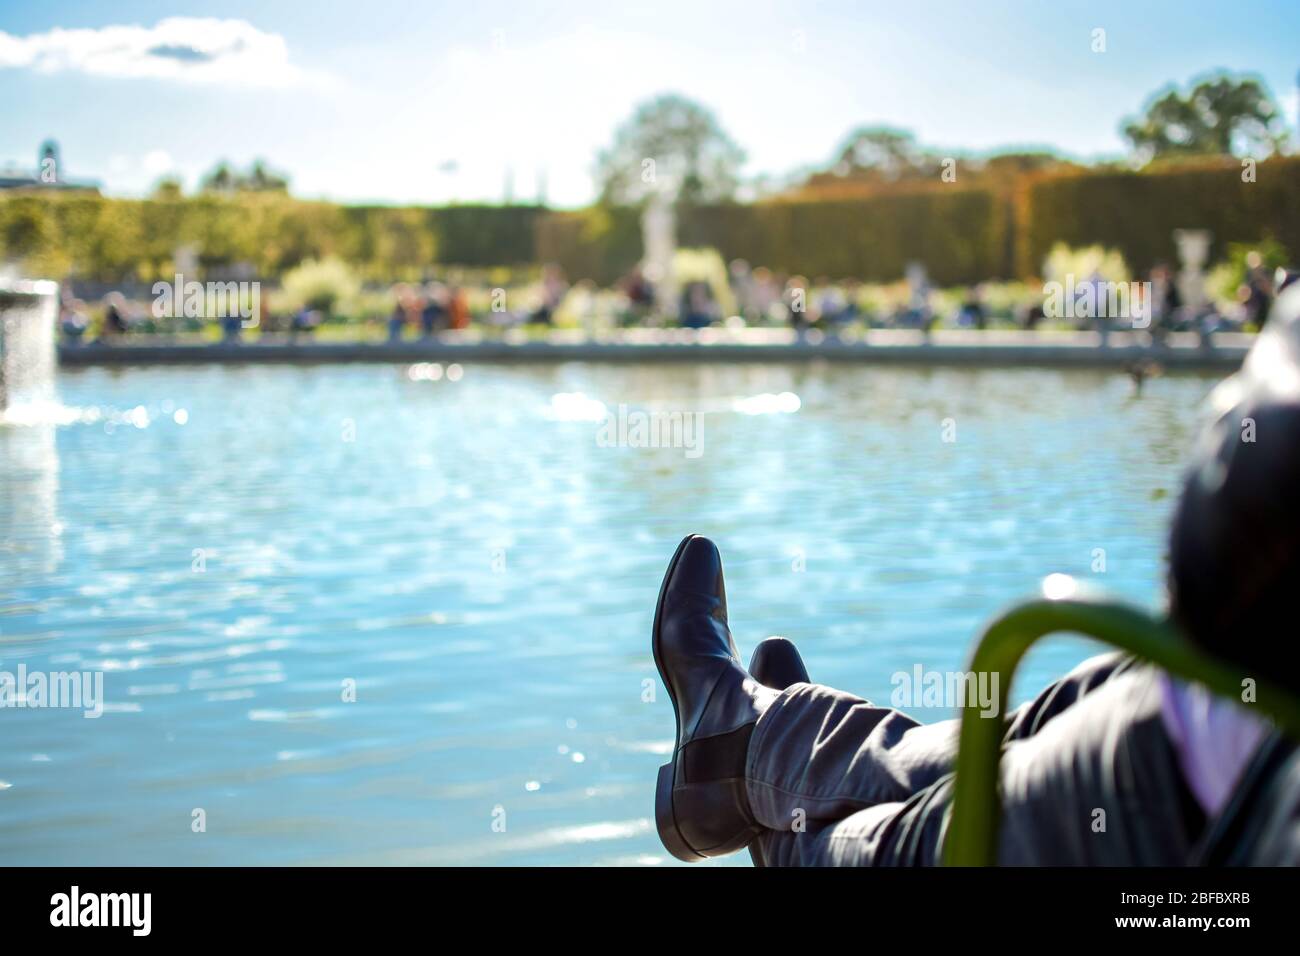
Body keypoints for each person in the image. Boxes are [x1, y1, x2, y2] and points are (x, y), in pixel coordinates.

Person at [651, 285, 1300, 866]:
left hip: (1215, 793)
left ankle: (745, 759)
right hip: (1226, 730)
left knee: (900, 846)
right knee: (1039, 724)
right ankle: (748, 749)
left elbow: (1226, 524)